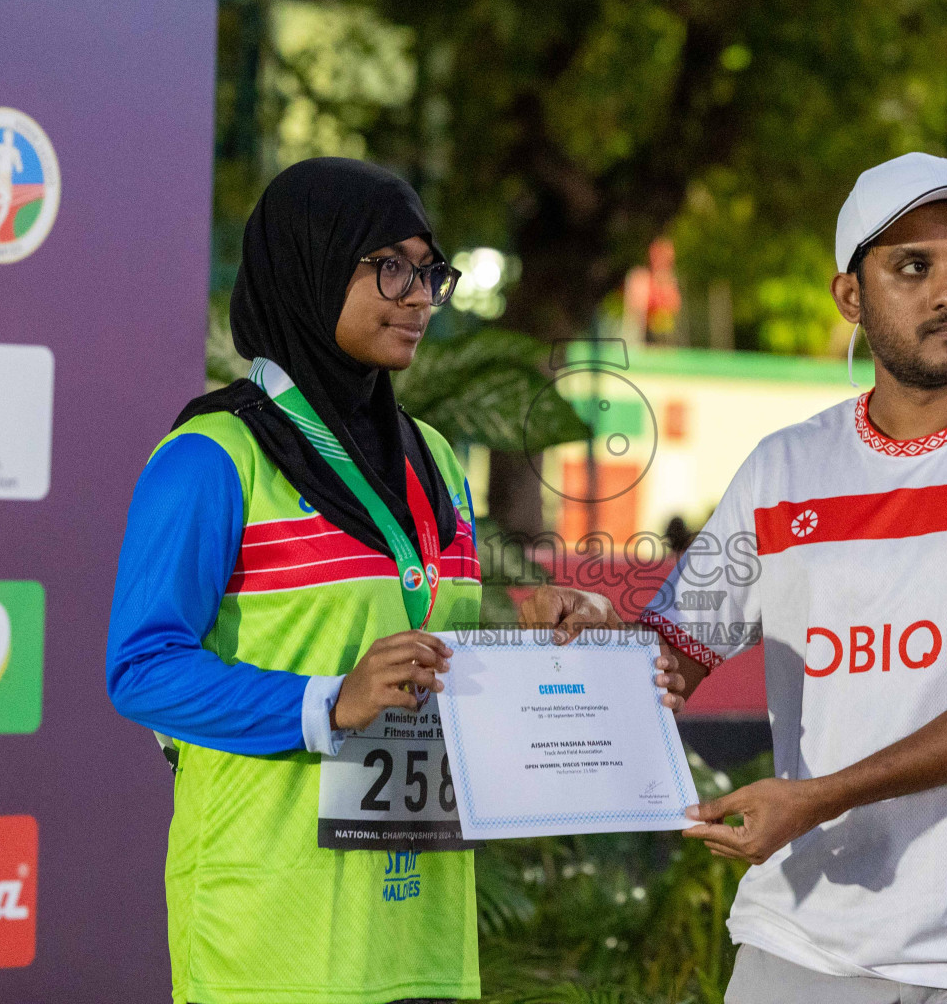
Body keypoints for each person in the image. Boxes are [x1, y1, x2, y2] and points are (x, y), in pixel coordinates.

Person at [550, 151, 947, 1001]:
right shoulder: (784, 468)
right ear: (850, 296)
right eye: (912, 267)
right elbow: (669, 660)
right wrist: (602, 641)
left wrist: (819, 796)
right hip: (801, 947)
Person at [106, 158, 613, 1004]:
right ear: (310, 265)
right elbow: (142, 668)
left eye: (430, 272)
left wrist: (538, 635)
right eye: (391, 268)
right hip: (269, 931)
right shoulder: (210, 459)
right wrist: (327, 701)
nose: (420, 295)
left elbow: (427, 653)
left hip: (421, 929)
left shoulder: (436, 458)